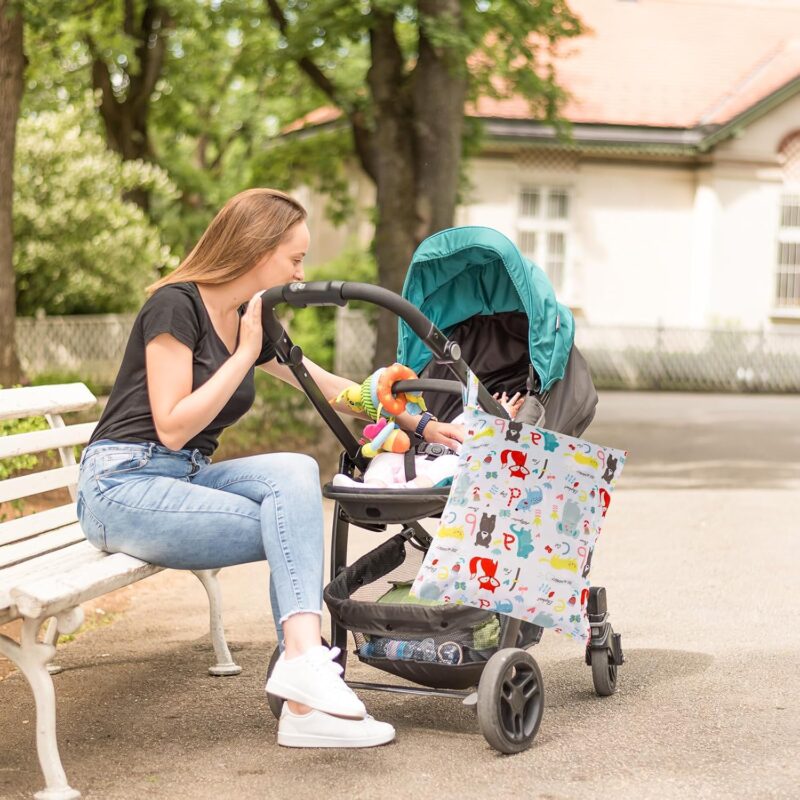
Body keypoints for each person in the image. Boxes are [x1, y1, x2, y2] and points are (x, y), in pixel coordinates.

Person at [76, 188, 463, 749]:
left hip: (182, 478)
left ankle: (302, 668)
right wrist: (242, 354)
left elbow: (329, 390)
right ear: (257, 250)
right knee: (290, 525)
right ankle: (304, 691)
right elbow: (173, 425)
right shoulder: (175, 306)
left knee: (295, 473)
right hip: (121, 484)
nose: (302, 273)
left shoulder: (249, 318)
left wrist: (414, 419)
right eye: (296, 258)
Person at [332, 391, 524, 489]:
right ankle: (371, 486)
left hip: (453, 462)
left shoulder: (499, 429)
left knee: (449, 466)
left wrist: (505, 413)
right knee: (384, 459)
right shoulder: (462, 417)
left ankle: (408, 489)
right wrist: (480, 404)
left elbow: (501, 439)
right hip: (420, 455)